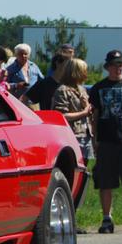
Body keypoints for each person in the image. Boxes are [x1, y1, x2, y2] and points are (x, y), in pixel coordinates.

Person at [88, 50, 122, 234]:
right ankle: (107, 218)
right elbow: (95, 115)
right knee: (105, 182)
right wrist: (95, 139)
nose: (118, 67)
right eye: (114, 64)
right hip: (106, 140)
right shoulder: (99, 87)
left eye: (120, 64)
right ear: (107, 67)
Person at [52, 58, 93, 190]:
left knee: (83, 173)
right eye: (83, 71)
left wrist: (86, 106)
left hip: (85, 135)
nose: (86, 74)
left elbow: (88, 111)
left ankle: (77, 201)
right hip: (72, 135)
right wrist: (83, 113)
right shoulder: (63, 90)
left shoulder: (82, 89)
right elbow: (61, 115)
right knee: (72, 172)